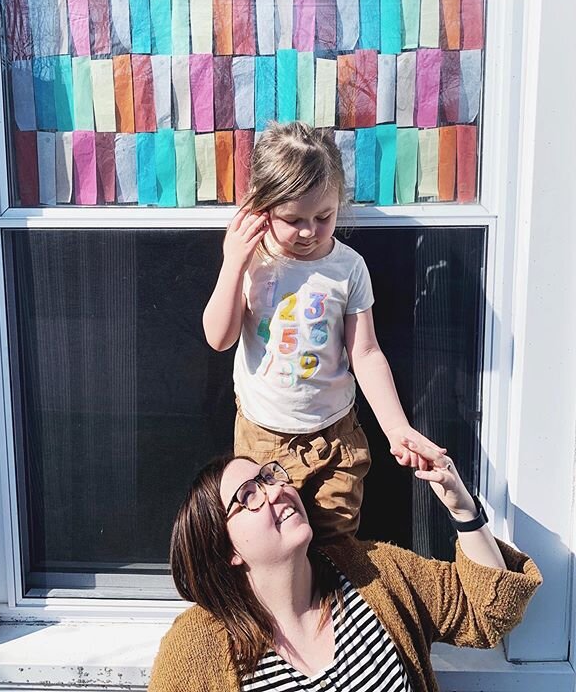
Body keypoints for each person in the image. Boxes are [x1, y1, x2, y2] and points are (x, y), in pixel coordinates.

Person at [203, 121, 444, 541]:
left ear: (339, 205)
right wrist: (232, 261)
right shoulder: (252, 263)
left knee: (337, 546)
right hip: (265, 437)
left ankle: (336, 607)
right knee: (273, 546)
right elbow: (218, 338)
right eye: (292, 218)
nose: (308, 231)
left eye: (323, 216)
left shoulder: (347, 267)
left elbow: (365, 354)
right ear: (260, 209)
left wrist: (396, 427)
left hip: (336, 436)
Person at [148, 443, 541, 692]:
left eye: (270, 477)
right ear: (226, 549)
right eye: (249, 495)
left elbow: (488, 611)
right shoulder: (198, 648)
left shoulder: (370, 573)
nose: (276, 491)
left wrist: (462, 510)